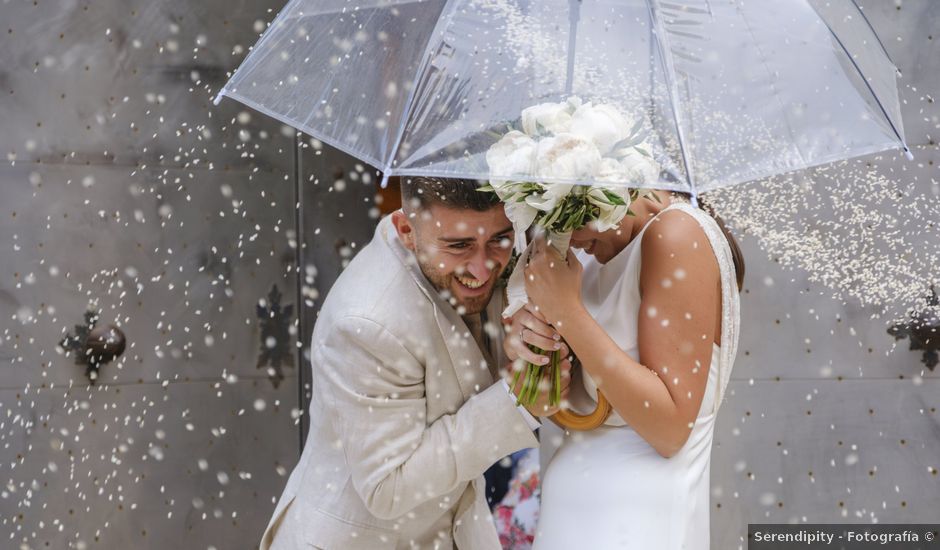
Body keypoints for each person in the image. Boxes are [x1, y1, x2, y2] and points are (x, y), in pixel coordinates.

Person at [260, 176, 570, 550]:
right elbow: (388, 487)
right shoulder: (366, 323)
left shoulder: (472, 262)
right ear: (406, 229)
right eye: (459, 246)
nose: (483, 268)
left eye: (500, 240)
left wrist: (521, 307)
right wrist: (517, 404)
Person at [505, 190, 743, 549]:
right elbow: (572, 409)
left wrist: (567, 313)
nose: (562, 235)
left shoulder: (677, 234)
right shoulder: (584, 255)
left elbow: (669, 430)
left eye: (559, 215)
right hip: (568, 515)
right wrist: (533, 355)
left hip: (637, 524)